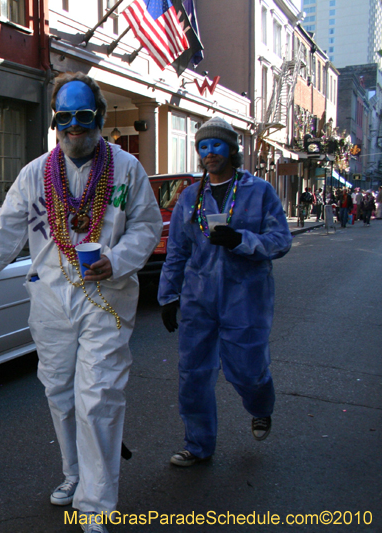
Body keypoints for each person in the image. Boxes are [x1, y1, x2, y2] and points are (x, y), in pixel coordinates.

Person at [0, 72, 162, 531]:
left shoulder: (126, 169)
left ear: (100, 119)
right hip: (49, 301)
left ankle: (96, 504)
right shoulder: (34, 175)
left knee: (98, 398)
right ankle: (74, 475)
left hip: (106, 299)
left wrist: (119, 259)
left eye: (83, 117)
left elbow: (147, 226)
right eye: (63, 118)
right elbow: (4, 237)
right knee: (61, 396)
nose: (73, 126)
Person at [158, 116, 292, 467]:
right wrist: (169, 297)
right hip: (198, 302)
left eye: (216, 145)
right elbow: (176, 252)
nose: (209, 152)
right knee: (193, 375)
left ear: (231, 149)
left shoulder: (259, 191)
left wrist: (241, 240)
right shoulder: (190, 197)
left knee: (248, 371)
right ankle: (198, 445)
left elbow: (281, 240)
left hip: (246, 299)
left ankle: (261, 407)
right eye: (203, 146)